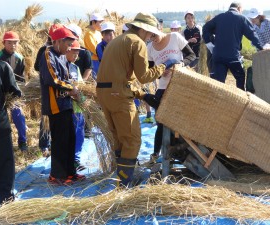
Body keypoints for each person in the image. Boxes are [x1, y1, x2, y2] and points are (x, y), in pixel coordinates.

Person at [96, 12, 179, 187]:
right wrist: (165, 65)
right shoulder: (137, 42)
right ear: (143, 29)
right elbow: (144, 76)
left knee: (119, 137)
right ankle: (126, 182)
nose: (150, 37)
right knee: (132, 139)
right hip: (119, 97)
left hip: (105, 95)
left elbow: (121, 76)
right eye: (150, 33)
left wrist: (140, 93)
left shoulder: (117, 41)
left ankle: (121, 176)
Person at [39, 27, 84, 185]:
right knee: (59, 141)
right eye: (68, 43)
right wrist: (70, 88)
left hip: (66, 103)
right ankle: (56, 175)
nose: (70, 47)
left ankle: (70, 172)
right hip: (55, 105)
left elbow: (66, 77)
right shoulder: (47, 54)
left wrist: (74, 89)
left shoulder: (63, 56)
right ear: (57, 41)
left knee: (70, 138)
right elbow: (52, 79)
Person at [146, 28, 196, 166]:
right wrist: (161, 73)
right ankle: (156, 154)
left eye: (154, 35)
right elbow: (150, 72)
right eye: (150, 37)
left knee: (183, 121)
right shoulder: (149, 48)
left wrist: (181, 64)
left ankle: (188, 153)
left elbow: (191, 55)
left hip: (181, 85)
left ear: (159, 29)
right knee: (161, 123)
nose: (153, 39)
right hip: (163, 89)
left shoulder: (175, 37)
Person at [202, 2, 263, 90]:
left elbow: (205, 28)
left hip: (218, 55)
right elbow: (252, 34)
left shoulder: (219, 17)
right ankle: (240, 98)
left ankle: (219, 101)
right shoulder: (241, 18)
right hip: (233, 56)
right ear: (239, 8)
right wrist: (261, 47)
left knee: (219, 83)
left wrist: (209, 45)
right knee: (240, 77)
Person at [34, 23, 63, 157]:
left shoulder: (61, 50)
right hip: (48, 88)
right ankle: (45, 145)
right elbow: (36, 67)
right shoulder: (44, 50)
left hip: (60, 90)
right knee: (46, 117)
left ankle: (54, 146)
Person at [0, 31, 27, 151]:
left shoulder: (19, 58)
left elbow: (21, 78)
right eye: (9, 43)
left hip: (13, 93)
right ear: (3, 43)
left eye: (15, 43)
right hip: (1, 93)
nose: (12, 45)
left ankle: (23, 141)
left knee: (18, 115)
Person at [0, 60, 22, 205]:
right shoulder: (2, 66)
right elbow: (14, 92)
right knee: (5, 160)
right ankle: (5, 197)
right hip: (0, 122)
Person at [64, 40, 86, 172]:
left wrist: (82, 99)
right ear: (67, 50)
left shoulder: (75, 67)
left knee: (80, 134)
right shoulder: (61, 66)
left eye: (78, 53)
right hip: (67, 108)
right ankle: (68, 161)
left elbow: (81, 87)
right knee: (69, 136)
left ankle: (76, 160)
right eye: (74, 52)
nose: (76, 55)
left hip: (78, 107)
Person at [84, 13, 104, 79]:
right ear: (93, 22)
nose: (101, 24)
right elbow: (95, 50)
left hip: (100, 59)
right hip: (94, 61)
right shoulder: (89, 34)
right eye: (99, 22)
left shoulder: (98, 33)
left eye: (101, 22)